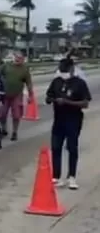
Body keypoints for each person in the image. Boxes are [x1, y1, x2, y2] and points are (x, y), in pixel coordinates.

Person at [45, 58, 91, 190]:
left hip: (73, 119)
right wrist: (52, 100)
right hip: (58, 120)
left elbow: (85, 103)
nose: (63, 72)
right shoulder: (56, 82)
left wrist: (67, 102)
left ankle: (72, 177)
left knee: (72, 147)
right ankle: (56, 176)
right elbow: (48, 97)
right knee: (56, 147)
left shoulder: (79, 83)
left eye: (65, 69)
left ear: (71, 68)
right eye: (61, 70)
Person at [0, 53, 33, 141]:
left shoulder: (25, 69)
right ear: (14, 58)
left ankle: (14, 132)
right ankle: (3, 129)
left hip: (17, 95)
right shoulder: (6, 66)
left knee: (16, 115)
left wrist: (31, 95)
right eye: (17, 57)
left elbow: (29, 83)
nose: (18, 59)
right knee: (2, 114)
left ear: (23, 59)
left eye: (20, 58)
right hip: (5, 94)